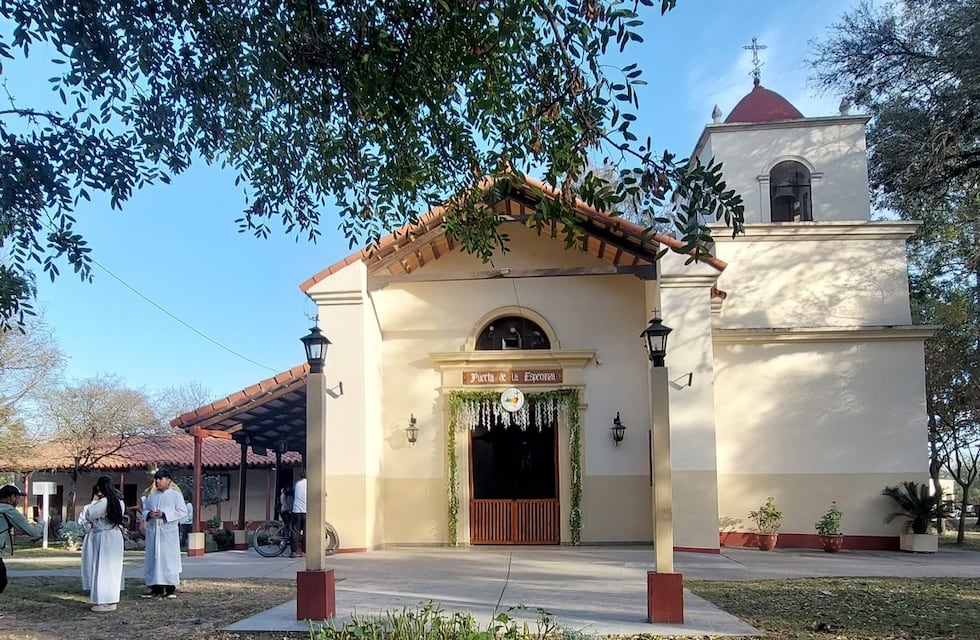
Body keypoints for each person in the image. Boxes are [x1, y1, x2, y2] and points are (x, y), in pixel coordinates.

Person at [141, 469, 187, 598]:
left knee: (167, 560)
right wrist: (149, 514)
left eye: (160, 479)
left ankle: (170, 588)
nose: (157, 481)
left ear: (169, 480)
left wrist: (165, 514)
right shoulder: (152, 496)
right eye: (156, 479)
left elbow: (182, 511)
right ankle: (156, 588)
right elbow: (144, 510)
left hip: (168, 533)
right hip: (153, 532)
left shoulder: (175, 495)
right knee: (153, 559)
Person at [84, 476, 126, 613]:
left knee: (102, 568)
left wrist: (95, 500)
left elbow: (89, 514)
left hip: (104, 536)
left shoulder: (103, 502)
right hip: (114, 535)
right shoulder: (118, 502)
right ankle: (110, 598)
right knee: (112, 569)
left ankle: (104, 600)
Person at [0, 484, 44, 595]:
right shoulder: (9, 510)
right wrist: (42, 522)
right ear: (11, 497)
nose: (18, 501)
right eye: (18, 498)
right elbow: (32, 532)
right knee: (1, 581)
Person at [78, 484, 101, 592]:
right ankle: (91, 584)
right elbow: (82, 521)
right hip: (92, 535)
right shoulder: (88, 507)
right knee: (90, 559)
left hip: (99, 534)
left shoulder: (105, 505)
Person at [290, 470, 307, 558]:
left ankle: (293, 552)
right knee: (306, 531)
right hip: (306, 511)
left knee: (295, 531)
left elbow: (293, 494)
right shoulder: (310, 485)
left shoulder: (297, 484)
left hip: (296, 510)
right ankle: (304, 552)